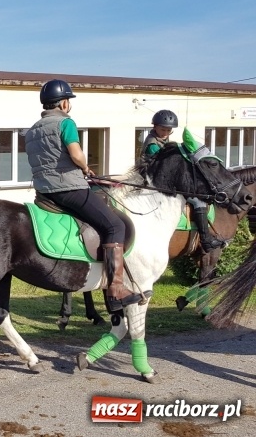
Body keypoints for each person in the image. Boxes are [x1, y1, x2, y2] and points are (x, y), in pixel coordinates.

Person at [24, 79, 140, 311]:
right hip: (69, 189)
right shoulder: (65, 123)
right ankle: (116, 289)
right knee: (115, 226)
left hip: (44, 193)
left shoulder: (33, 130)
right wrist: (85, 167)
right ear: (64, 103)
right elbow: (75, 154)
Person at [141, 110, 223, 252]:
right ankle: (206, 240)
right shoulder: (152, 144)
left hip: (162, 180)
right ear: (154, 127)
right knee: (198, 201)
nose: (165, 132)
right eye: (162, 129)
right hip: (155, 183)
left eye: (168, 130)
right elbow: (166, 167)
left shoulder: (163, 141)